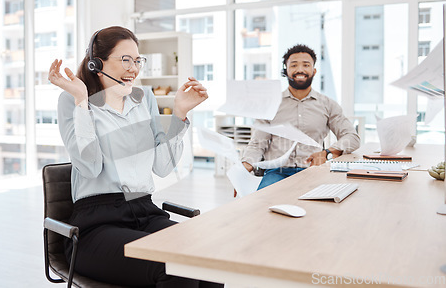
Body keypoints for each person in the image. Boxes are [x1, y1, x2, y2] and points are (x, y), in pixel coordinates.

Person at [49, 26, 223, 288]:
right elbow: (90, 166)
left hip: (144, 211)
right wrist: (82, 102)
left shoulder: (144, 99)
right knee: (175, 265)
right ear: (98, 62)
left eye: (137, 60)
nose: (134, 68)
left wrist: (179, 115)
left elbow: (163, 167)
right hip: (96, 225)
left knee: (209, 256)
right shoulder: (73, 99)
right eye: (125, 60)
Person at [240, 44, 360, 193]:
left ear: (314, 71)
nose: (300, 70)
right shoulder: (270, 104)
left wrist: (327, 153)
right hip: (277, 172)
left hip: (313, 171)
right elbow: (257, 143)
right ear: (286, 71)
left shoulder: (328, 104)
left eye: (306, 65)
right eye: (294, 65)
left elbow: (352, 137)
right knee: (263, 203)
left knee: (321, 207)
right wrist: (245, 167)